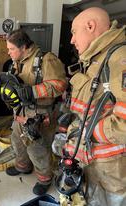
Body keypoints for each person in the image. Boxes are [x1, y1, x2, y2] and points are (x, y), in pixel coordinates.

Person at [61, 7, 126, 205]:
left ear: (90, 26)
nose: (71, 40)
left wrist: (90, 132)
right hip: (89, 162)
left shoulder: (119, 59)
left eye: (73, 31)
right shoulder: (96, 59)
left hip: (110, 174)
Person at [0, 29, 67, 195]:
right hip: (22, 112)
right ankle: (23, 167)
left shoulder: (46, 59)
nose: (8, 52)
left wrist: (33, 91)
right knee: (17, 141)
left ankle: (45, 179)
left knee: (38, 149)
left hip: (40, 115)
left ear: (23, 47)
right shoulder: (19, 60)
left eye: (11, 49)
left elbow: (60, 85)